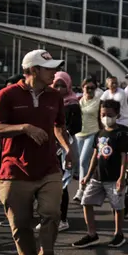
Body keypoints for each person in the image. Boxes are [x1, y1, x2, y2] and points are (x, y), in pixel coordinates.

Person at [0, 50, 71, 255]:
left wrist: (69, 149)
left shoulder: (55, 96)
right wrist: (25, 127)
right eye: (49, 69)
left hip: (49, 168)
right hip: (14, 169)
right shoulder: (6, 95)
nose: (54, 73)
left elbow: (59, 126)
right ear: (34, 70)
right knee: (20, 222)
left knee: (51, 213)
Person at [72, 100, 128, 248]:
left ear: (117, 115)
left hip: (113, 178)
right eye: (103, 114)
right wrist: (87, 175)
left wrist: (121, 177)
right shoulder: (99, 133)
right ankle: (92, 234)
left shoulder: (121, 134)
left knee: (117, 206)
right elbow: (95, 156)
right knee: (86, 201)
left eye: (109, 115)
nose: (106, 118)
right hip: (97, 178)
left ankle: (119, 234)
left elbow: (124, 157)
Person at [45, 71, 81, 232]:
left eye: (62, 85)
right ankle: (48, 218)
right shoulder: (48, 101)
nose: (59, 89)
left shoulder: (72, 103)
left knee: (62, 184)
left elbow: (77, 126)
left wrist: (64, 135)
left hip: (65, 146)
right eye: (56, 85)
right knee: (45, 183)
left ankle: (63, 219)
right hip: (47, 146)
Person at [73, 77, 102, 203]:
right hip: (79, 134)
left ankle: (81, 190)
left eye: (92, 88)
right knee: (79, 163)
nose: (90, 90)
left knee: (83, 161)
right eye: (87, 87)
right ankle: (89, 184)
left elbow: (101, 119)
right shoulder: (79, 101)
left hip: (93, 133)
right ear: (82, 88)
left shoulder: (99, 101)